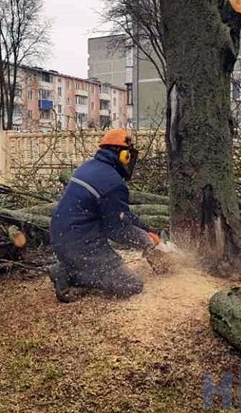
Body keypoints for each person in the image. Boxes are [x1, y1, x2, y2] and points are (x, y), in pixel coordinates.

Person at [48, 129, 160, 302]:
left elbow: (123, 215)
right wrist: (146, 241)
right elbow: (117, 230)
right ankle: (70, 273)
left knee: (118, 271)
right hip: (82, 245)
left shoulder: (88, 167)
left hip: (62, 237)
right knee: (132, 284)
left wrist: (148, 229)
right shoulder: (113, 183)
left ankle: (71, 266)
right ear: (123, 155)